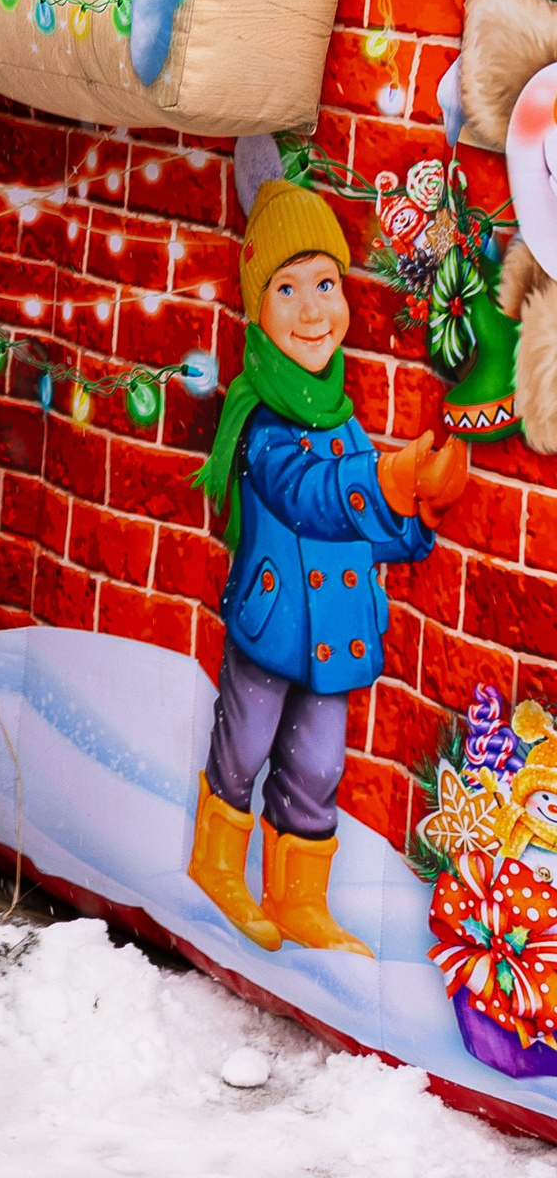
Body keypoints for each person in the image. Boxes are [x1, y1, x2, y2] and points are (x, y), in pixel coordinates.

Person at [187, 174, 468, 956]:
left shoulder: (341, 419)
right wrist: (389, 479)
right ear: (256, 306)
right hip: (274, 628)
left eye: (326, 284)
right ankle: (219, 860)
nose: (314, 309)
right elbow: (311, 496)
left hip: (339, 634)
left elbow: (366, 526)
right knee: (244, 749)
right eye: (288, 288)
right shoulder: (265, 423)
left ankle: (299, 894)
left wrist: (418, 513)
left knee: (315, 767)